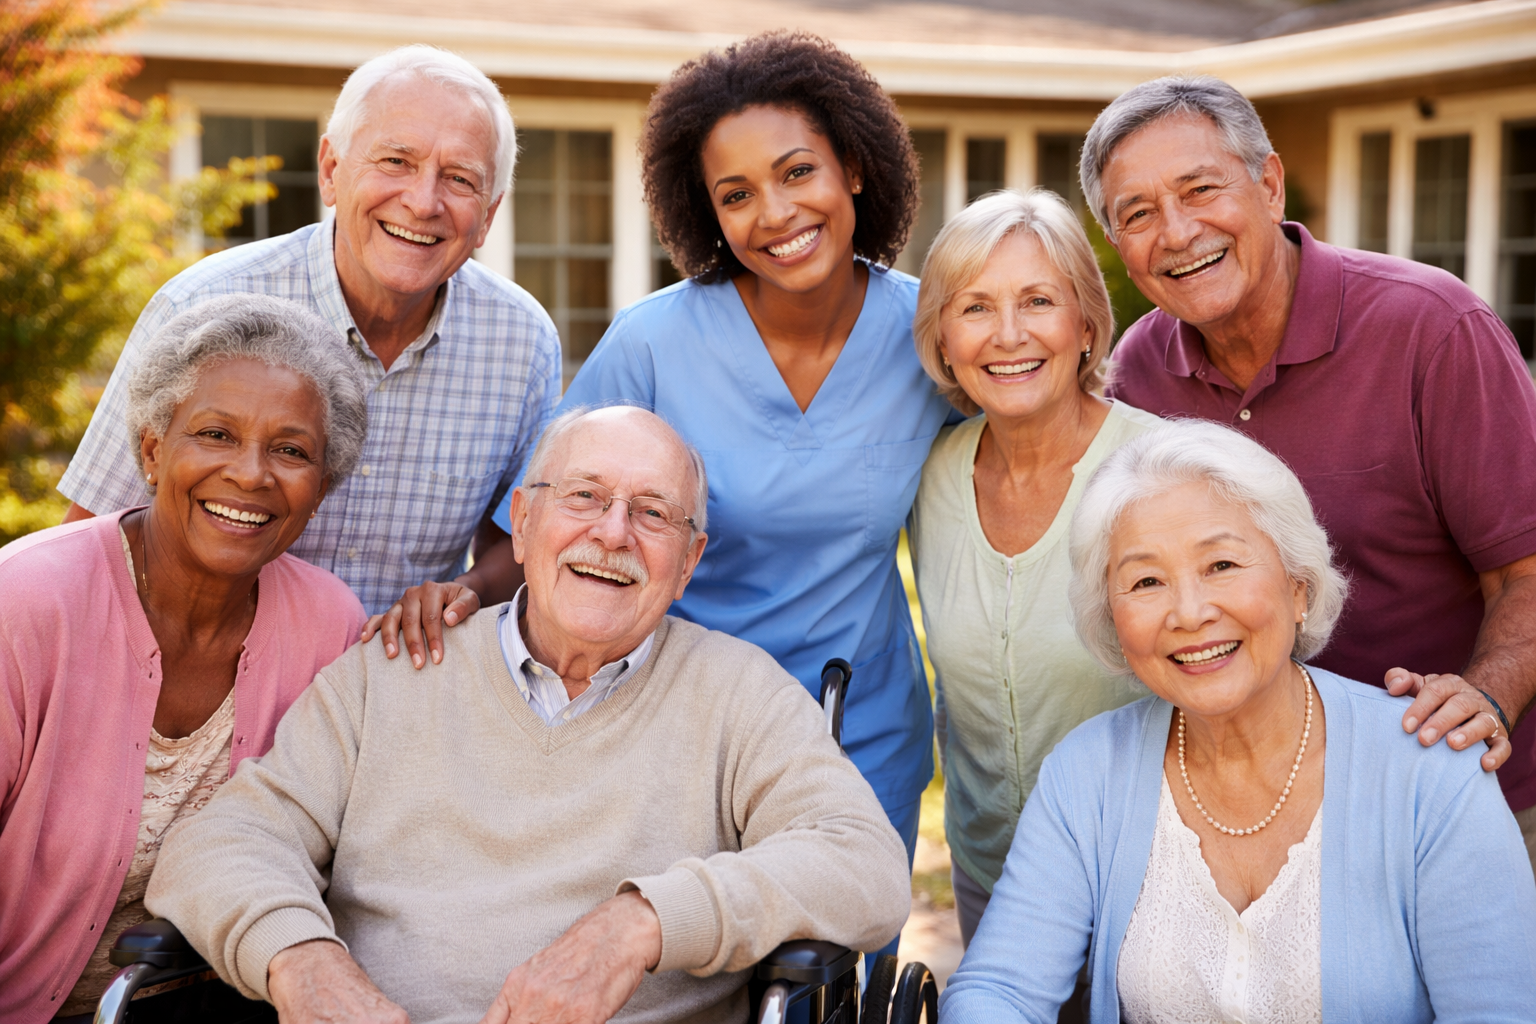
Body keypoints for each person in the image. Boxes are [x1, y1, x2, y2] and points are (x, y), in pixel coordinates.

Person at [369, 32, 958, 893]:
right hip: (672, 723)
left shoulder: (930, 337)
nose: (777, 212)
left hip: (853, 722)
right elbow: (542, 519)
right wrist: (466, 592)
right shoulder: (653, 341)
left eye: (799, 172)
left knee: (832, 975)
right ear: (707, 214)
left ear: (856, 169)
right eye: (736, 193)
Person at [145, 405, 910, 1024]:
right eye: (583, 496)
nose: (612, 533)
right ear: (524, 519)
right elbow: (224, 840)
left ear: (689, 562)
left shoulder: (740, 693)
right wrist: (300, 960)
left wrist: (642, 923)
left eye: (652, 513)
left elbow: (864, 866)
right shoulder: (393, 671)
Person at [941, 421, 1536, 1024]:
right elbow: (1000, 989)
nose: (1190, 612)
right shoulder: (1085, 772)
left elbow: (1499, 1011)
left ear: (1298, 587)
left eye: (1222, 564)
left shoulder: (1431, 772)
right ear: (1112, 620)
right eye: (1146, 581)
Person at [1085, 75, 1536, 869]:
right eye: (1138, 214)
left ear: (1268, 184)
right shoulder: (1139, 372)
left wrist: (1487, 696)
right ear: (1118, 244)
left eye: (1201, 189)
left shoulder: (1433, 329)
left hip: (1469, 796)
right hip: (1263, 830)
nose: (1179, 231)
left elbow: (1526, 569)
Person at [56, 44, 562, 617]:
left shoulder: (522, 343)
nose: (423, 202)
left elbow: (518, 538)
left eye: (459, 179)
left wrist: (464, 592)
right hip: (198, 676)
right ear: (331, 170)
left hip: (399, 686)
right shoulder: (202, 306)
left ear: (488, 216)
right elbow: (87, 544)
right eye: (395, 161)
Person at [0, 295, 370, 1024]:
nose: (251, 473)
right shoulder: (27, 602)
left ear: (321, 487)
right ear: (151, 449)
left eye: (291, 450)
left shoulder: (329, 624)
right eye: (215, 434)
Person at [906, 189, 1160, 948]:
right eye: (976, 307)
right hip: (992, 879)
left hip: (1145, 881)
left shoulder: (1160, 470)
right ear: (943, 340)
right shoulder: (933, 475)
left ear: (1086, 324)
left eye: (1039, 301)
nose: (1008, 335)